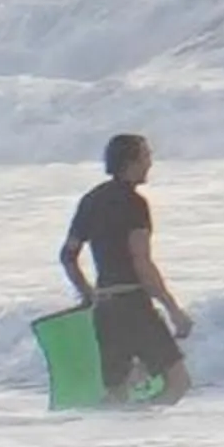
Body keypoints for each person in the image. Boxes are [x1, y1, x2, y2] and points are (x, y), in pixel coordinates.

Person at [58, 132, 194, 405]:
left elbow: (68, 256)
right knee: (178, 382)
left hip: (106, 311)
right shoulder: (134, 204)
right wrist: (172, 308)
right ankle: (148, 431)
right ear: (130, 162)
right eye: (146, 156)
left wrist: (88, 294)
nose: (150, 163)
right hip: (133, 305)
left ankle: (120, 439)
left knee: (117, 392)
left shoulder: (91, 200)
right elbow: (141, 262)